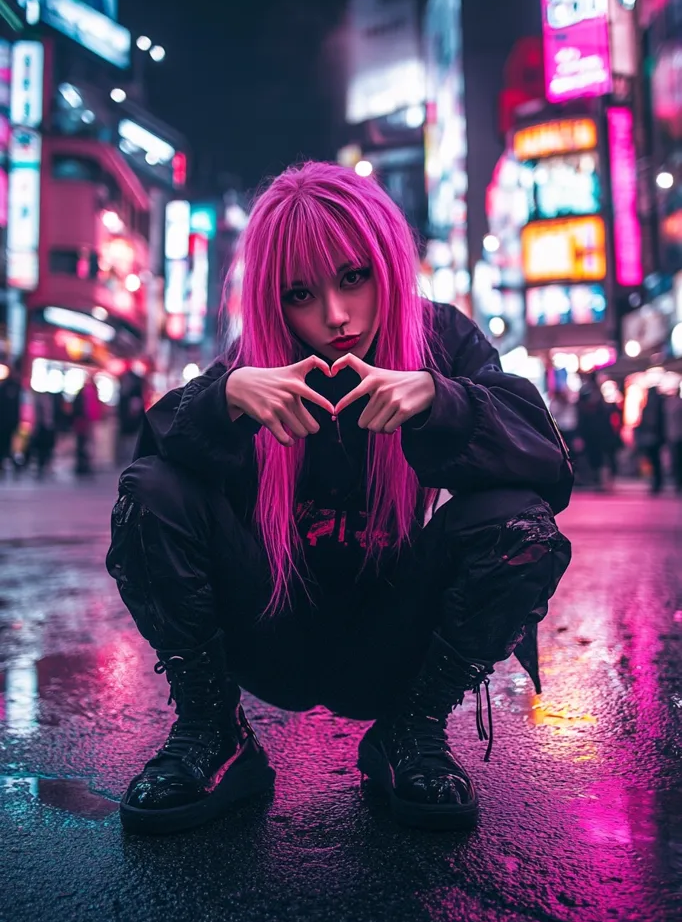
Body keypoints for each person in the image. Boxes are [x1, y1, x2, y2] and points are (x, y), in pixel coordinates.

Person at [106, 162, 572, 837]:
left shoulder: (441, 339)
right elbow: (148, 490)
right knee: (148, 492)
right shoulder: (258, 357)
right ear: (276, 299)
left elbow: (545, 468)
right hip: (269, 627)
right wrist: (225, 401)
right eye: (301, 293)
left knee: (518, 523)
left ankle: (411, 733)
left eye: (354, 276)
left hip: (393, 642)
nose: (334, 315)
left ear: (386, 259)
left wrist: (442, 400)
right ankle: (214, 733)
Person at [636, 386, 666, 494]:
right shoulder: (648, 407)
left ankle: (657, 483)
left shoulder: (658, 407)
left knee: (655, 461)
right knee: (653, 461)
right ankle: (655, 482)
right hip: (650, 437)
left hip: (655, 437)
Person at [72, 374, 101, 476]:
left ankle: (83, 465)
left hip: (85, 422)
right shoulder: (89, 392)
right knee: (85, 444)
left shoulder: (86, 392)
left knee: (84, 444)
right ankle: (83, 466)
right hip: (86, 422)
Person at [0, 359, 21, 478]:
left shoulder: (16, 386)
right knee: (3, 442)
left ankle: (8, 461)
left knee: (9, 443)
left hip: (11, 422)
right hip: (4, 421)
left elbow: (18, 406)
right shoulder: (5, 386)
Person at [665, 388, 682, 494]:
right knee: (676, 461)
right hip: (674, 435)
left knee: (676, 461)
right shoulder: (670, 404)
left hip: (674, 435)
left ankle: (678, 483)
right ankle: (678, 483)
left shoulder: (668, 405)